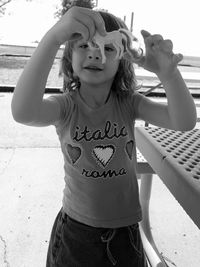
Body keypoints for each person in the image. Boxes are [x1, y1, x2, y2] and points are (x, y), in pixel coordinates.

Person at [11, 5, 197, 267]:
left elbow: (184, 121)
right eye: (83, 45)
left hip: (127, 231)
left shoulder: (130, 103)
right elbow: (23, 112)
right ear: (69, 59)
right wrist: (53, 37)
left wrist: (168, 74)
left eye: (108, 48)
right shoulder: (65, 106)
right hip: (77, 233)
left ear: (122, 59)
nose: (95, 54)